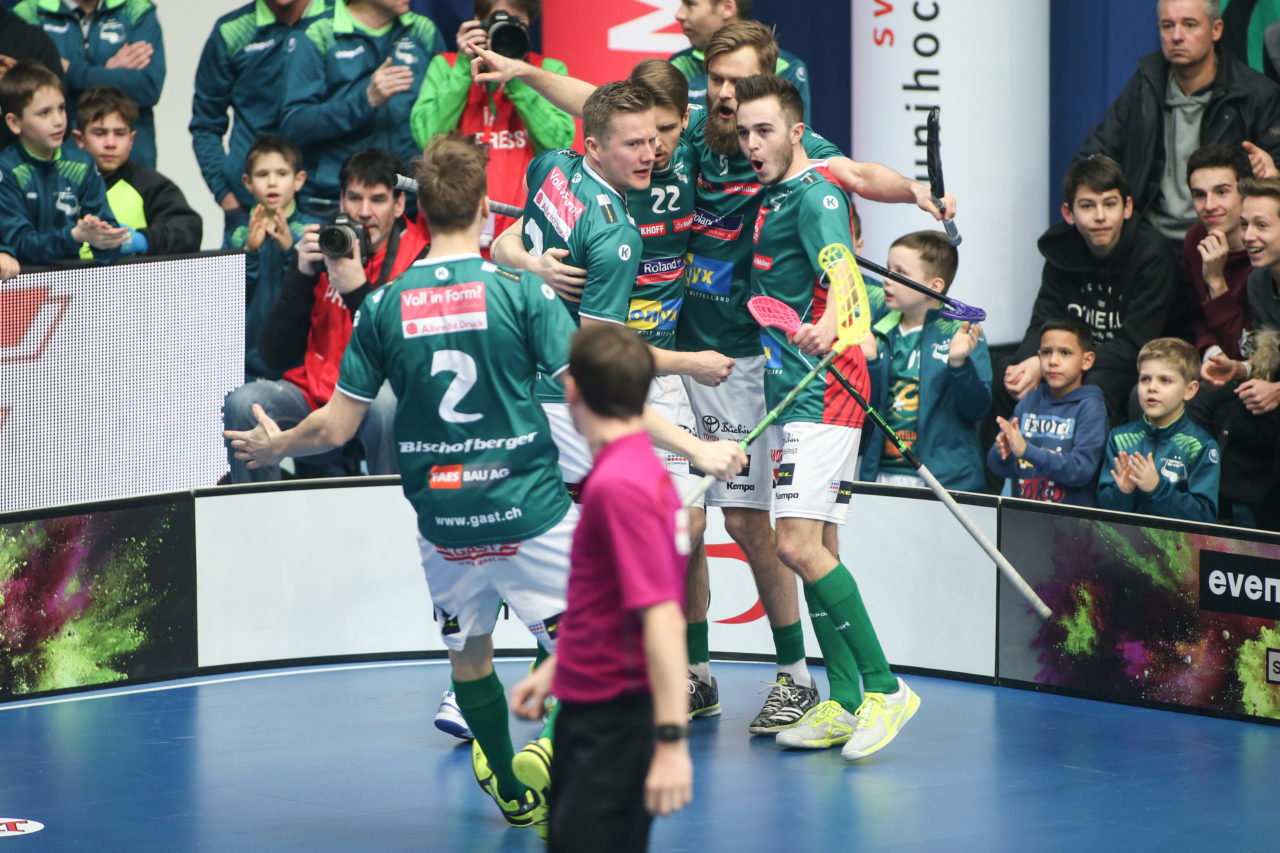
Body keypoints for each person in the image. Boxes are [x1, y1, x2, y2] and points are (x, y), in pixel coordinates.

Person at [225, 135, 745, 838]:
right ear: (481, 208)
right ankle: (546, 750)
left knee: (468, 655)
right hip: (525, 505)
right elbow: (603, 394)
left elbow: (336, 425)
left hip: (442, 517)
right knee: (590, 634)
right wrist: (698, 450)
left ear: (416, 207)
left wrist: (274, 443)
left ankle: (504, 777)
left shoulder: (383, 307)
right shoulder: (520, 293)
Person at [475, 20, 956, 734]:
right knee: (687, 524)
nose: (724, 96)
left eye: (739, 81)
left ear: (770, 79)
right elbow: (595, 105)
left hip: (747, 361)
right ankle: (699, 674)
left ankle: (802, 677)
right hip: (673, 358)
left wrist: (915, 190)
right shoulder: (684, 132)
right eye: (716, 80)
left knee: (766, 527)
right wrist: (519, 73)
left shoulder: (788, 149)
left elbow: (856, 176)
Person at [734, 73, 921, 760]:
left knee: (796, 546)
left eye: (764, 131)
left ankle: (884, 685)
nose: (752, 143)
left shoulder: (813, 196)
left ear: (795, 131)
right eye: (745, 131)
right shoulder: (778, 184)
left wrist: (841, 322)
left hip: (825, 388)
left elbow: (841, 268)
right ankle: (842, 699)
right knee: (822, 547)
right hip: (792, 387)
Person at [511, 323, 694, 852]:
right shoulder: (627, 470)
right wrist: (555, 667)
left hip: (614, 721)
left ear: (571, 391)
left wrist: (670, 743)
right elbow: (608, 600)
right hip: (587, 704)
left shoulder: (620, 486)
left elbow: (661, 616)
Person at [221, 147, 427, 483]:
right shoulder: (326, 244)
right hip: (316, 390)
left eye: (377, 200)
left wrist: (356, 290)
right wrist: (300, 274)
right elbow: (273, 355)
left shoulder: (420, 256)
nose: (364, 212)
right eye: (355, 198)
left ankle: (393, 521)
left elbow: (404, 359)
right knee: (243, 403)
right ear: (341, 202)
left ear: (399, 205)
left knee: (388, 405)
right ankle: (260, 519)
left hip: (375, 395)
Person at [1074, 0, 1280, 243]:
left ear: (1217, 29)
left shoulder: (1256, 94)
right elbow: (1096, 154)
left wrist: (1272, 174)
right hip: (1150, 242)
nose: (1177, 36)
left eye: (1190, 25)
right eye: (1167, 26)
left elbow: (1274, 168)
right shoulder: (1144, 86)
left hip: (1226, 241)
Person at [1001, 155, 1180, 426]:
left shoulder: (1153, 255)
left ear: (1127, 207)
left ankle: (1088, 469)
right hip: (1075, 358)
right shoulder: (1061, 250)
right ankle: (1007, 466)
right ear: (1068, 213)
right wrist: (1029, 361)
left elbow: (1138, 344)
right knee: (1009, 374)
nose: (1100, 216)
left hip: (1136, 365)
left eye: (1110, 204)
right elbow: (1043, 321)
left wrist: (1061, 362)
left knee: (1094, 386)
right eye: (1087, 206)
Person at [409, 0, 573, 257]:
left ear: (528, 24)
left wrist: (518, 73)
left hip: (523, 238)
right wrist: (465, 65)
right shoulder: (447, 65)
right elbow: (426, 137)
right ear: (477, 22)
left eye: (516, 20)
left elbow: (559, 143)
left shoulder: (547, 70)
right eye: (497, 20)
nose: (505, 27)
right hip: (452, 235)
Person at [280, 0, 445, 216]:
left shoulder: (423, 30)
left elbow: (446, 114)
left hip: (411, 200)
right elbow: (295, 124)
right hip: (337, 202)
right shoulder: (318, 33)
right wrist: (365, 101)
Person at [859, 230, 992, 491]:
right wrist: (871, 363)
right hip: (880, 474)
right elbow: (864, 411)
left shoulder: (962, 331)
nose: (887, 280)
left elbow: (978, 410)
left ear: (934, 287)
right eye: (887, 269)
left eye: (900, 273)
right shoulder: (876, 330)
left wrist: (959, 365)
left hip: (947, 481)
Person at [190, 0, 328, 236]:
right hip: (248, 211)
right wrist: (227, 199)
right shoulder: (231, 30)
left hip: (326, 202)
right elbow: (205, 125)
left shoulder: (337, 20)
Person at [1192, 177, 1280, 529]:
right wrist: (1239, 370)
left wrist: (1277, 392)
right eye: (1245, 225)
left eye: (1261, 225)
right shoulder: (1258, 282)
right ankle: (1212, 518)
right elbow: (1269, 356)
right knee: (1206, 401)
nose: (1248, 236)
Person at [0, 60, 126, 264]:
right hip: (24, 287)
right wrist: (75, 236)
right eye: (44, 113)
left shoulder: (82, 163)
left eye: (61, 108)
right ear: (15, 123)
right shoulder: (7, 170)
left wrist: (103, 238)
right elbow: (20, 245)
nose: (58, 120)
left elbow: (109, 249)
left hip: (73, 285)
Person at [14, 0, 165, 168]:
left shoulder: (137, 9)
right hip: (52, 167)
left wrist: (72, 71)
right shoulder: (28, 13)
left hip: (128, 169)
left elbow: (148, 87)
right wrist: (107, 73)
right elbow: (26, 91)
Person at [986, 317, 1108, 506]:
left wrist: (1026, 451)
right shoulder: (1030, 400)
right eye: (1046, 352)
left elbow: (1080, 470)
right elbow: (999, 467)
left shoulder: (1090, 406)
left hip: (1072, 526)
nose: (1053, 361)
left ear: (1087, 360)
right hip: (1024, 519)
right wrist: (1003, 451)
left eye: (1065, 353)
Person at [224, 134, 317, 381]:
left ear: (299, 180)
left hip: (300, 364)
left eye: (282, 174)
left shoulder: (311, 230)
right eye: (262, 175)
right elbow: (227, 300)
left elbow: (315, 295)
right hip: (245, 364)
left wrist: (291, 252)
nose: (272, 183)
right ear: (247, 182)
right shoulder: (237, 235)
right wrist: (249, 254)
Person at [1097, 337, 1219, 522]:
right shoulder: (1119, 438)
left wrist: (1157, 488)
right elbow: (1104, 512)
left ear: (1190, 390)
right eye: (1145, 379)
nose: (1152, 388)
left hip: (1176, 549)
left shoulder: (1201, 445)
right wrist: (1123, 493)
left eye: (1165, 380)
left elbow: (1205, 516)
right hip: (1124, 546)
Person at [73, 86, 201, 258]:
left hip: (133, 283)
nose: (110, 143)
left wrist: (143, 240)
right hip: (65, 283)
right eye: (100, 133)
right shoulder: (59, 183)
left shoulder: (150, 183)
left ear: (131, 140)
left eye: (119, 133)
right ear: (79, 139)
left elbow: (188, 230)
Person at [1178, 143, 1255, 368]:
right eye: (1200, 195)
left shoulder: (1267, 247)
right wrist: (1210, 348)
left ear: (1245, 191)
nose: (1209, 205)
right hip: (1213, 362)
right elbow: (1195, 318)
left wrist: (1216, 283)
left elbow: (1248, 349)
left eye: (1222, 192)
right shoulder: (1195, 239)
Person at [669, 0, 811, 123]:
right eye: (716, 79)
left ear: (727, 7)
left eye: (690, 4)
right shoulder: (678, 65)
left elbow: (796, 142)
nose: (679, 14)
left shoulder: (785, 68)